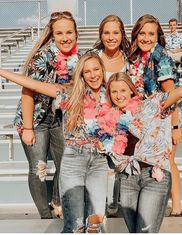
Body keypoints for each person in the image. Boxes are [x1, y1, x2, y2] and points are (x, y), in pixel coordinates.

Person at [97, 51, 182, 233]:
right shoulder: (108, 119)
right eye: (114, 91)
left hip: (154, 176)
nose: (119, 95)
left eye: (122, 90)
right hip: (127, 179)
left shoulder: (152, 104)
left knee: (145, 231)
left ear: (131, 90)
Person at [0, 52, 109, 233]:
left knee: (96, 224)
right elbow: (33, 84)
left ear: (102, 70)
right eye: (87, 71)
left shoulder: (111, 95)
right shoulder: (69, 94)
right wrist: (2, 71)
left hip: (99, 163)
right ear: (81, 75)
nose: (93, 75)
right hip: (74, 162)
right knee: (75, 224)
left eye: (96, 69)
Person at [13, 11, 79, 219]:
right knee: (38, 169)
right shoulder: (42, 57)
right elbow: (27, 92)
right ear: (52, 35)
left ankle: (57, 201)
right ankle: (45, 216)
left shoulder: (78, 58)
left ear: (76, 34)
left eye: (69, 32)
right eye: (59, 33)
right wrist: (28, 128)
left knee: (68, 163)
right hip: (36, 119)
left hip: (60, 119)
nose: (65, 37)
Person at [129, 14, 182, 217]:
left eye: (151, 34)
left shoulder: (161, 56)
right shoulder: (138, 58)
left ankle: (176, 207)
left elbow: (172, 95)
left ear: (157, 36)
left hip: (169, 118)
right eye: (142, 33)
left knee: (168, 161)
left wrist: (175, 127)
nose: (146, 37)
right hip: (152, 118)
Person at [93, 14, 131, 217]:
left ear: (122, 34)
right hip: (98, 118)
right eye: (106, 32)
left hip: (124, 118)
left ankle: (115, 204)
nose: (111, 36)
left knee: (118, 164)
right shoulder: (93, 57)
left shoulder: (130, 58)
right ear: (100, 35)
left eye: (115, 32)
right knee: (102, 166)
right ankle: (101, 204)